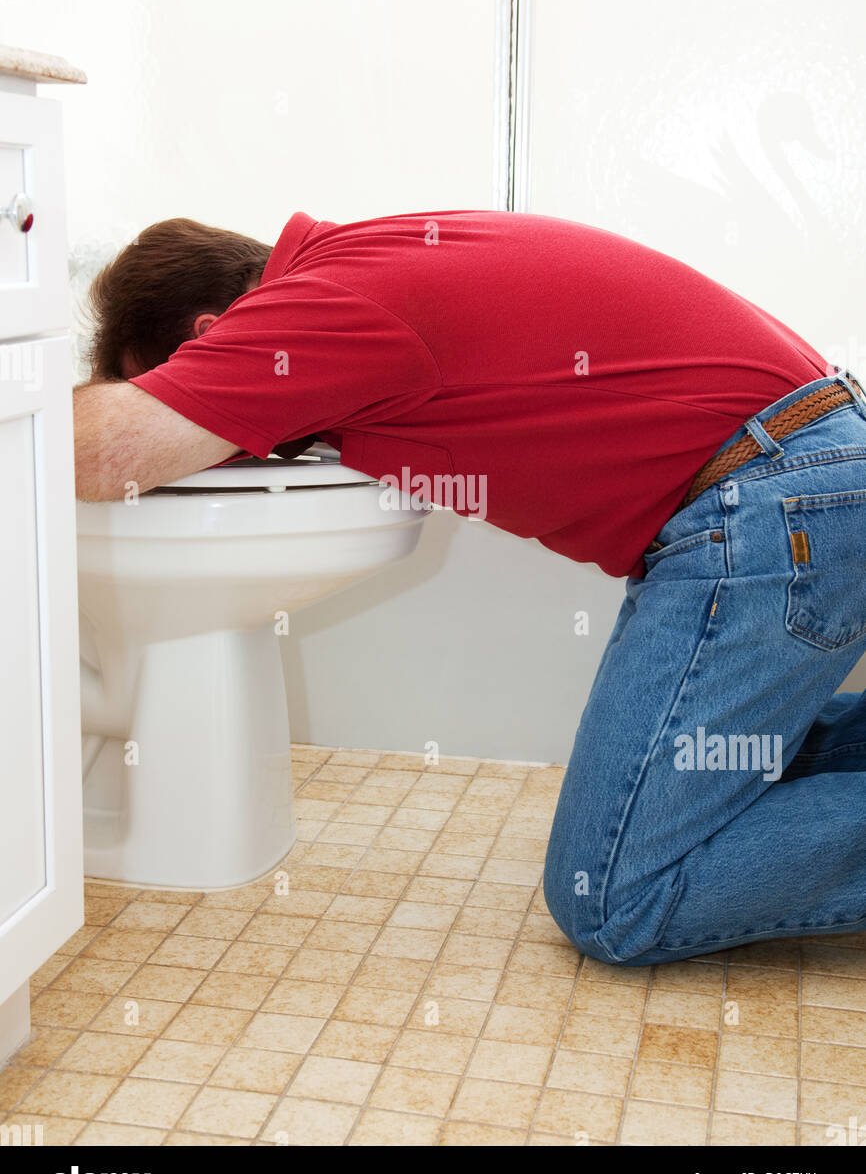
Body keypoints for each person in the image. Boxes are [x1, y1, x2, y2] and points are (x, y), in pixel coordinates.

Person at [74, 209, 866, 966]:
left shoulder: (304, 311)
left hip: (770, 506)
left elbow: (104, 454)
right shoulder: (354, 267)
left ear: (208, 337)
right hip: (795, 485)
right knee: (693, 769)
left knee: (616, 896)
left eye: (164, 386)